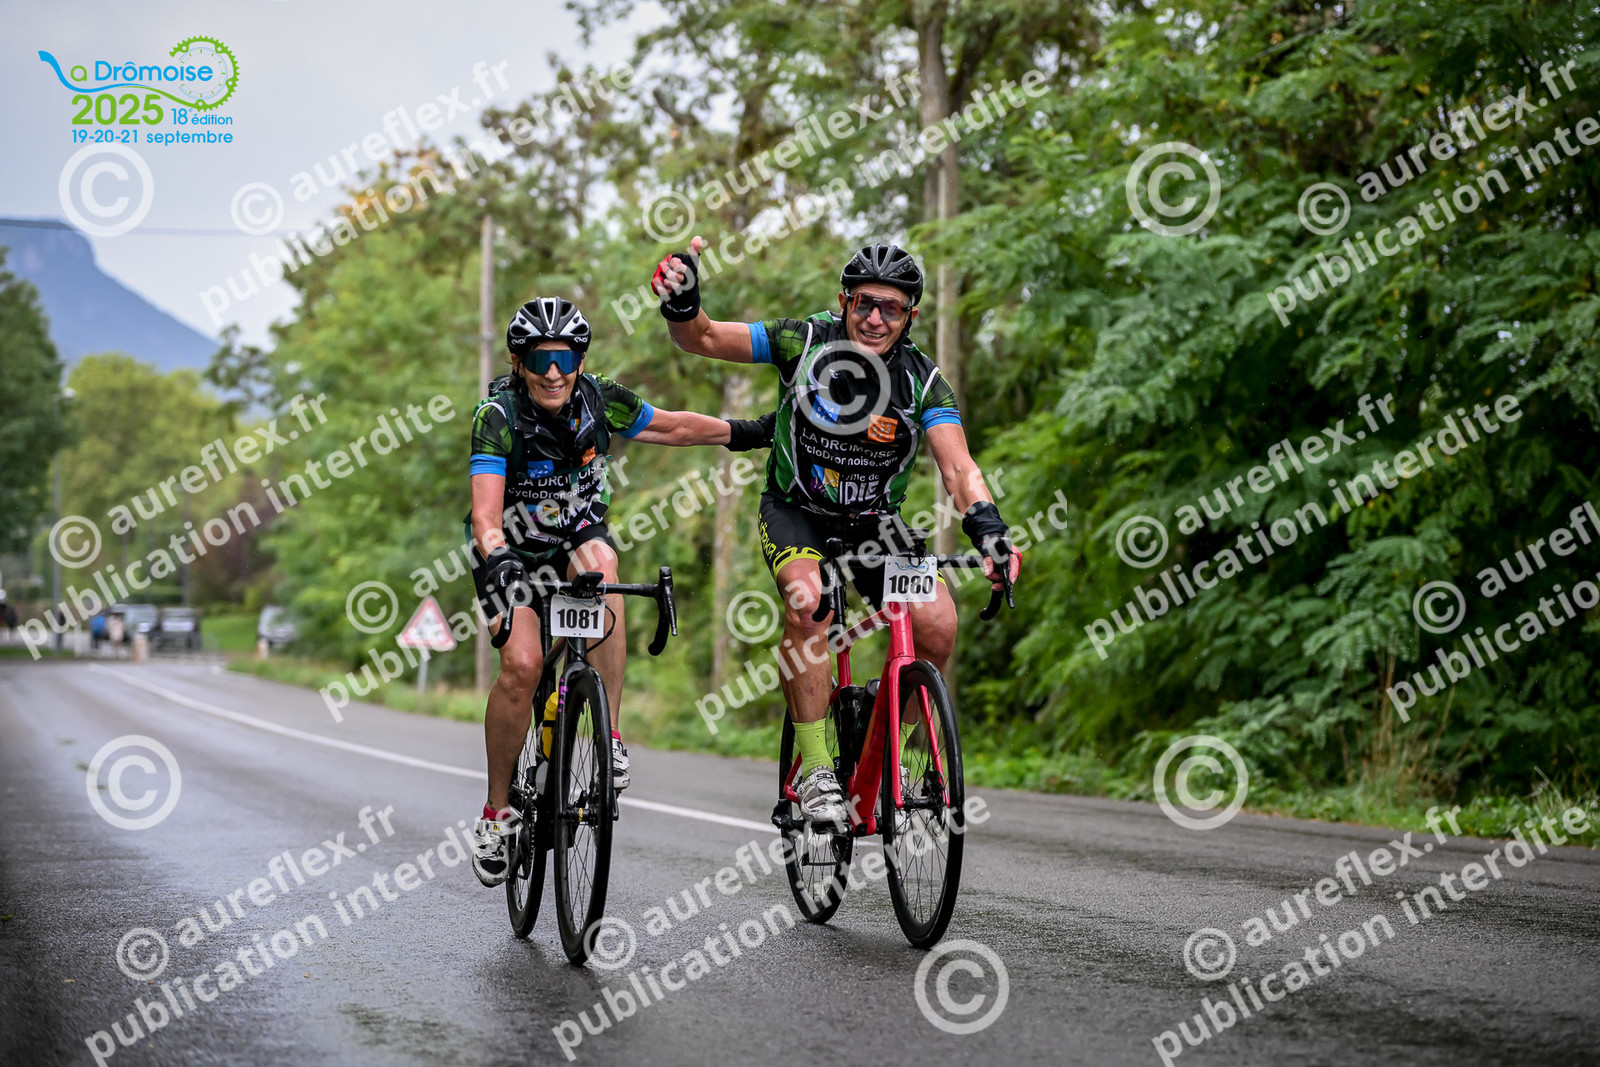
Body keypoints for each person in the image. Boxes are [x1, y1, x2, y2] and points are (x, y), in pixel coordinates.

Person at [650, 239, 1021, 825]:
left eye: (891, 308)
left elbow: (959, 468)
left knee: (938, 624)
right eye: (865, 303)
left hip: (876, 524)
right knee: (809, 605)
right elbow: (704, 337)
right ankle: (819, 770)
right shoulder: (801, 341)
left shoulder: (922, 381)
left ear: (910, 316)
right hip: (797, 510)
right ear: (845, 301)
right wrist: (683, 301)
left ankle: (894, 752)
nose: (875, 318)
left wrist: (990, 532)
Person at [468, 296, 772, 887]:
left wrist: (743, 432)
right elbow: (485, 515)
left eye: (564, 358)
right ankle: (496, 812)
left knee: (604, 568)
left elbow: (673, 425)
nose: (552, 372)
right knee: (522, 667)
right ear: (518, 361)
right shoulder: (497, 416)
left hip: (576, 538)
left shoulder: (599, 399)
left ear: (580, 361)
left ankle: (607, 735)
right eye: (539, 358)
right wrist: (499, 558)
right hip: (511, 551)